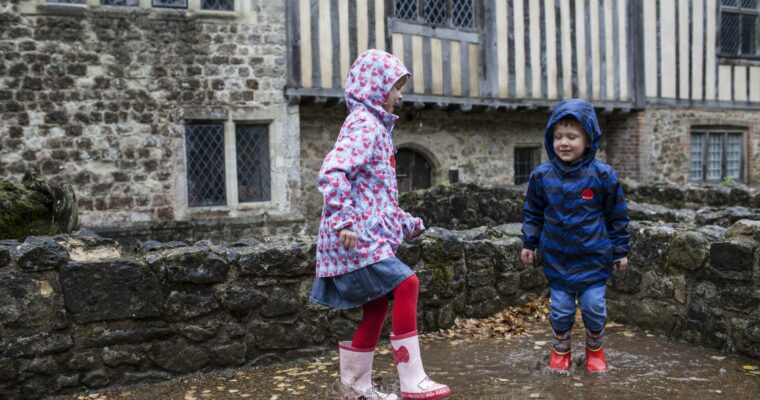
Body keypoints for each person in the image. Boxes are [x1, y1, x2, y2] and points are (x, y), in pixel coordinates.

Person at [310, 49, 451, 400]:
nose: (400, 94)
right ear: (375, 87)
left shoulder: (376, 128)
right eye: (395, 86)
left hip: (359, 235)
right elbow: (333, 171)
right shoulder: (364, 125)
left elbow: (377, 201)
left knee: (376, 305)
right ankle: (412, 379)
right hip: (351, 238)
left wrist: (407, 222)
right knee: (407, 284)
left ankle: (355, 389)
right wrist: (343, 220)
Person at [520, 99, 630, 373]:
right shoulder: (542, 176)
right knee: (561, 310)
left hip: (594, 259)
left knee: (593, 307)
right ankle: (561, 352)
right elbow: (532, 212)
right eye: (558, 137)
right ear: (550, 139)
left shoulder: (603, 175)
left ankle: (595, 351)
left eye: (572, 136)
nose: (564, 143)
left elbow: (617, 216)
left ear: (588, 138)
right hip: (558, 259)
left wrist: (620, 250)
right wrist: (529, 243)